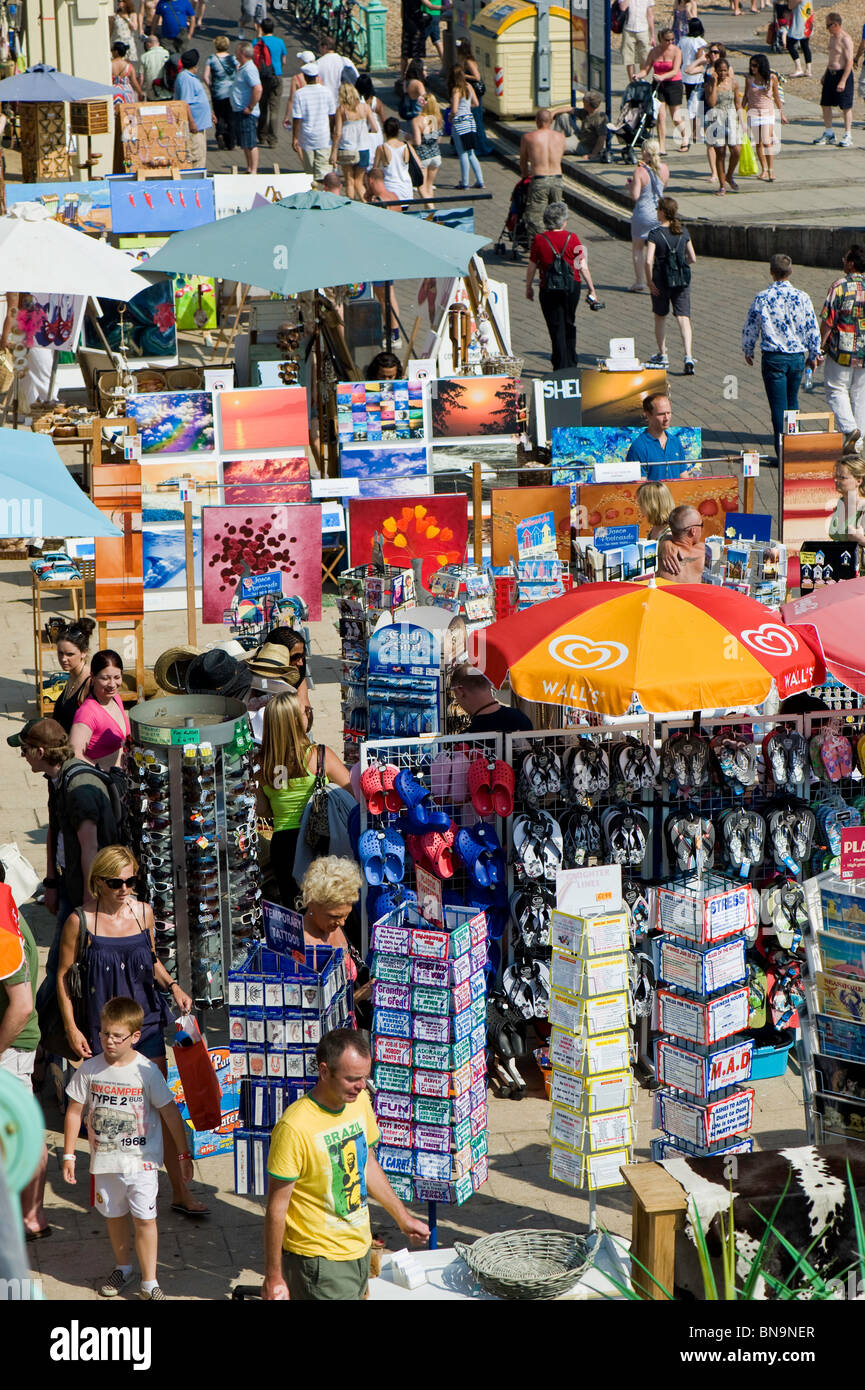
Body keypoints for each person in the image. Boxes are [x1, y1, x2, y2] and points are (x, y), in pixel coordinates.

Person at [57, 848, 206, 1218]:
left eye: (131, 881)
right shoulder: (81, 922)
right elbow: (62, 976)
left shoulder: (143, 913)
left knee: (157, 1106)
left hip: (146, 1024)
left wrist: (173, 985)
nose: (125, 889)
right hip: (102, 1029)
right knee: (106, 1109)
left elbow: (150, 957)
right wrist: (71, 1026)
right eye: (116, 882)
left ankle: (179, 1190)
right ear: (98, 882)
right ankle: (112, 1190)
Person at [262, 1028, 429, 1301]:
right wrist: (274, 1276)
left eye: (364, 1077)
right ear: (325, 1072)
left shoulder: (359, 1101)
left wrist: (403, 1218)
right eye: (352, 1079)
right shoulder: (294, 1127)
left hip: (359, 1252)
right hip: (319, 1264)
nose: (362, 1086)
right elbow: (276, 1209)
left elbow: (367, 1164)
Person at [63, 997, 197, 1300]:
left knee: (146, 1219)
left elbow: (171, 1114)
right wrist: (69, 1154)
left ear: (135, 1036)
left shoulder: (147, 1071)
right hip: (105, 1164)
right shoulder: (89, 1070)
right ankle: (123, 1267)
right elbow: (74, 1111)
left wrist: (183, 1153)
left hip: (142, 1163)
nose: (109, 1041)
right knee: (114, 1216)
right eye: (104, 1033)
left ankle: (150, 1282)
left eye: (117, 1036)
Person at [256, 692, 352, 909]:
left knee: (296, 910)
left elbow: (263, 810)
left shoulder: (262, 763)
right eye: (304, 712)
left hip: (283, 845)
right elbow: (350, 791)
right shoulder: (318, 756)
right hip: (317, 840)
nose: (308, 714)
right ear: (296, 721)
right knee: (328, 906)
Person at [0, 900, 49, 1240]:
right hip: (16, 1043)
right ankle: (32, 1215)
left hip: (11, 1044)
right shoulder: (8, 909)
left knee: (20, 1135)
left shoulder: (2, 927)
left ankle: (30, 1217)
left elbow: (21, 1006)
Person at [742, 252, 822, 459]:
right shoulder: (802, 297)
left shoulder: (763, 297)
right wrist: (814, 353)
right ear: (791, 271)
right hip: (796, 356)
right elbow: (812, 326)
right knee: (792, 402)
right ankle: (794, 449)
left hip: (773, 357)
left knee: (778, 406)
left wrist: (748, 349)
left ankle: (783, 453)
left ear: (771, 272)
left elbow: (751, 326)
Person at [526, 201, 600, 371]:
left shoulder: (539, 239)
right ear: (563, 221)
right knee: (569, 322)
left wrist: (528, 287)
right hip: (571, 287)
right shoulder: (572, 238)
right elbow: (582, 266)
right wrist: (592, 289)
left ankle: (559, 365)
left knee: (555, 327)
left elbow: (531, 266)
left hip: (548, 288)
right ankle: (572, 362)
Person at [298, 857, 368, 1002]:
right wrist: (358, 996)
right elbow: (311, 1007)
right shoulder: (302, 945)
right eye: (334, 916)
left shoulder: (333, 925)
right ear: (312, 904)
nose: (342, 922)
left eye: (346, 915)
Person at [645, 195, 697, 374]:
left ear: (662, 212)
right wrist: (679, 266)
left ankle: (663, 354)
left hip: (660, 280)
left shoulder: (654, 234)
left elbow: (647, 261)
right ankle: (688, 356)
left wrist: (649, 281)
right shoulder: (683, 231)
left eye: (657, 209)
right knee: (683, 318)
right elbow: (693, 258)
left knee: (660, 316)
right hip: (681, 281)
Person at [821, 246, 865, 451]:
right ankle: (860, 441)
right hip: (864, 351)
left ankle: (849, 430)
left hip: (842, 350)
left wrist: (820, 346)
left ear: (851, 263)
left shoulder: (839, 286)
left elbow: (829, 320)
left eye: (845, 257)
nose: (842, 259)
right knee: (860, 394)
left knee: (835, 389)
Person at [70, 648, 130, 771]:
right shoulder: (87, 713)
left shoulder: (116, 698)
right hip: (103, 784)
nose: (112, 684)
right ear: (92, 676)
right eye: (105, 678)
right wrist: (103, 774)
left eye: (117, 677)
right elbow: (74, 755)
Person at [627, 138, 668, 292]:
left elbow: (635, 196)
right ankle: (659, 281)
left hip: (642, 215)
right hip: (659, 214)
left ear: (644, 152)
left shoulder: (639, 171)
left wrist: (629, 186)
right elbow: (662, 189)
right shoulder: (665, 169)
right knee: (657, 250)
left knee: (638, 249)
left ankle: (640, 282)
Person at [519, 108, 564, 242]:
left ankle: (541, 248)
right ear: (551, 121)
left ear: (536, 121)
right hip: (557, 179)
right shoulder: (560, 137)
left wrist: (525, 177)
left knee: (535, 218)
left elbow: (523, 161)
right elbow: (560, 157)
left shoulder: (528, 137)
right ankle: (558, 246)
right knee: (557, 217)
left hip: (539, 179)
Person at [640, 28, 687, 153]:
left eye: (672, 40)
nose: (670, 42)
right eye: (667, 40)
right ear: (661, 39)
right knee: (661, 116)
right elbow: (646, 69)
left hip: (673, 83)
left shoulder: (676, 51)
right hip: (658, 85)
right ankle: (662, 146)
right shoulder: (654, 52)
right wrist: (638, 75)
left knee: (675, 117)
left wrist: (662, 76)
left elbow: (675, 70)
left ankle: (685, 136)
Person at [289, 61, 336, 183]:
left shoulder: (299, 94)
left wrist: (295, 137)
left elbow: (297, 118)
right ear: (317, 77)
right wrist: (332, 133)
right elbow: (332, 116)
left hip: (306, 138)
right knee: (325, 174)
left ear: (304, 77)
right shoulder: (327, 92)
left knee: (310, 176)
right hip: (324, 137)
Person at [625, 392, 689, 479]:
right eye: (661, 414)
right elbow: (640, 486)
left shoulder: (675, 441)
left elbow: (684, 476)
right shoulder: (638, 448)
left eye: (669, 413)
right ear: (647, 415)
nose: (666, 418)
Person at [744, 53, 787, 181]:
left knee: (767, 141)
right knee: (758, 143)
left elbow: (776, 97)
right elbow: (746, 96)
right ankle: (763, 169)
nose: (753, 68)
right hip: (753, 112)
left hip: (767, 112)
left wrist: (781, 113)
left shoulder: (772, 78)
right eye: (751, 65)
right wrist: (740, 110)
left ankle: (771, 170)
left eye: (755, 66)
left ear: (761, 65)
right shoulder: (749, 79)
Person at [814, 12, 854, 146]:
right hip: (830, 74)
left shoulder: (845, 39)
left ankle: (848, 134)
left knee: (845, 106)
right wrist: (825, 74)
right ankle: (829, 132)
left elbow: (849, 61)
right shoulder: (832, 38)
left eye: (828, 25)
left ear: (836, 24)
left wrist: (843, 80)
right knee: (825, 104)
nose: (827, 28)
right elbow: (832, 58)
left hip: (842, 74)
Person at [450, 667, 533, 733]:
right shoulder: (521, 718)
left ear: (460, 691)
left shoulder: (464, 744)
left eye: (455, 694)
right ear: (489, 684)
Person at [703, 55, 742, 193]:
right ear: (715, 70)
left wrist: (742, 121)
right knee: (720, 152)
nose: (723, 73)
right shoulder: (709, 84)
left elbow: (738, 104)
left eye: (725, 70)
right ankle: (722, 184)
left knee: (736, 150)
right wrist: (713, 84)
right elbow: (712, 103)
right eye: (720, 70)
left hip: (731, 117)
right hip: (717, 118)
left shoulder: (733, 83)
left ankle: (729, 175)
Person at [332, 83, 378, 199]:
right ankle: (366, 204)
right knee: (359, 181)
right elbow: (375, 128)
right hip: (363, 148)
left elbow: (338, 133)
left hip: (346, 148)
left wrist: (333, 151)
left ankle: (351, 205)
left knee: (350, 181)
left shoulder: (341, 109)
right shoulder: (365, 107)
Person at [51, 617, 96, 734]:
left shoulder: (92, 683)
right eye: (60, 653)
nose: (63, 659)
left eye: (70, 654)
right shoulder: (72, 676)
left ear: (84, 653)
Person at [261, 625, 313, 723]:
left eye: (303, 655)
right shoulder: (258, 678)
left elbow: (306, 711)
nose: (300, 662)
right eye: (296, 657)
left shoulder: (299, 666)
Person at [174, 49, 213, 166]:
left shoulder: (188, 76)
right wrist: (191, 123)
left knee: (200, 156)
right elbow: (185, 103)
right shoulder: (186, 78)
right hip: (194, 128)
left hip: (200, 126)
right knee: (196, 157)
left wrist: (210, 113)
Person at [448, 65, 484, 191]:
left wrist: (450, 117)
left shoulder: (456, 90)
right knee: (471, 153)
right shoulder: (468, 86)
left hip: (459, 123)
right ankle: (480, 181)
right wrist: (467, 108)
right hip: (470, 122)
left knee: (462, 153)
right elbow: (476, 103)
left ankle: (465, 183)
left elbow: (454, 109)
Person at [230, 40, 262, 175]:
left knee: (250, 142)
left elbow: (258, 88)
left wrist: (250, 106)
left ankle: (253, 170)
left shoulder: (249, 69)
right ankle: (249, 168)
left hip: (247, 111)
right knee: (245, 142)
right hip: (240, 110)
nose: (235, 54)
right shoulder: (243, 67)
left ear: (242, 52)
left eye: (237, 51)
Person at [456, 39, 493, 156]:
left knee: (476, 120)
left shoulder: (468, 61)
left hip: (474, 93)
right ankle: (480, 145)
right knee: (474, 119)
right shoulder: (465, 60)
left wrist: (463, 75)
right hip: (470, 92)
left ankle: (482, 147)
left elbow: (477, 77)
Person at [551, 89, 608, 160]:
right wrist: (553, 112)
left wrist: (593, 154)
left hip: (585, 146)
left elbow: (602, 138)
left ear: (587, 103)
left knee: (557, 145)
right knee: (563, 116)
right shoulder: (586, 111)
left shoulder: (599, 118)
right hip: (580, 136)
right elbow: (570, 109)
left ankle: (551, 145)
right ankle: (551, 137)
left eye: (584, 102)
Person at [255, 19, 285, 147]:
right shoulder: (280, 42)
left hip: (261, 77)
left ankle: (261, 135)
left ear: (261, 28)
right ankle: (272, 140)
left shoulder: (257, 42)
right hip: (276, 76)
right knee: (274, 108)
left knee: (262, 107)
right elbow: (283, 61)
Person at [658, 505, 708, 582]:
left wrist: (665, 541)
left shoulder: (658, 555)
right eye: (702, 525)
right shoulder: (705, 553)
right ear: (693, 531)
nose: (702, 529)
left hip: (665, 593)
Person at [204, 35, 237, 148]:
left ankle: (220, 132)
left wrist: (210, 86)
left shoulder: (211, 58)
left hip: (217, 91)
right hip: (231, 92)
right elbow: (239, 72)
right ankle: (231, 142)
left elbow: (205, 76)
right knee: (231, 116)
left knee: (219, 114)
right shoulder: (233, 59)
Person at [374, 115, 415, 203]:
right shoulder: (406, 146)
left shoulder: (381, 148)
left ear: (384, 131)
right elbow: (419, 164)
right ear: (398, 131)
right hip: (406, 189)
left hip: (390, 190)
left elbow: (375, 170)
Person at [412, 92, 443, 203]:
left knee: (421, 187)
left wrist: (409, 137)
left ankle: (431, 208)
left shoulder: (417, 120)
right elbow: (438, 140)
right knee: (429, 186)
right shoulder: (436, 118)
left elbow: (418, 142)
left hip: (423, 156)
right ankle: (430, 214)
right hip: (436, 155)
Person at [680, 20, 708, 144]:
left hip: (685, 75)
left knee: (690, 104)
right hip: (697, 76)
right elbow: (700, 58)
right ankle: (698, 133)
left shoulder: (683, 40)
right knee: (699, 106)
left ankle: (694, 132)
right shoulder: (699, 42)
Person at [829, 451, 865, 546]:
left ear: (858, 481)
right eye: (835, 476)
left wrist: (861, 540)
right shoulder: (840, 503)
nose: (836, 480)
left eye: (842, 478)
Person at [315, 34, 359, 104]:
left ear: (324, 47)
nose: (319, 50)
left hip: (327, 104)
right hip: (344, 103)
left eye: (319, 47)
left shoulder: (318, 63)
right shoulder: (345, 61)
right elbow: (356, 78)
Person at [619, 0, 656, 81]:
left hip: (643, 29)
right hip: (628, 28)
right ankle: (632, 82)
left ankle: (641, 78)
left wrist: (652, 35)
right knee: (629, 58)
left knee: (645, 57)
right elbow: (622, 7)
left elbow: (650, 15)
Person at [355, 72, 384, 160]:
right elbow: (384, 120)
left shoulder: (355, 102)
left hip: (360, 134)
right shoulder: (376, 102)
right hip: (375, 134)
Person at [787, 0, 814, 78]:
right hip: (807, 21)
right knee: (805, 45)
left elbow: (790, 6)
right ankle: (808, 69)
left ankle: (799, 68)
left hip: (800, 22)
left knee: (790, 44)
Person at [140, 33, 171, 97]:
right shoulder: (167, 53)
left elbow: (141, 78)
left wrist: (140, 92)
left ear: (148, 44)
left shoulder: (144, 57)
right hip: (167, 93)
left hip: (152, 94)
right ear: (158, 43)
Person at [420, 0, 444, 65]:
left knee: (420, 41)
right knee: (437, 40)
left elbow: (429, 5)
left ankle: (419, 66)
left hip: (427, 14)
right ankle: (445, 65)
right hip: (436, 13)